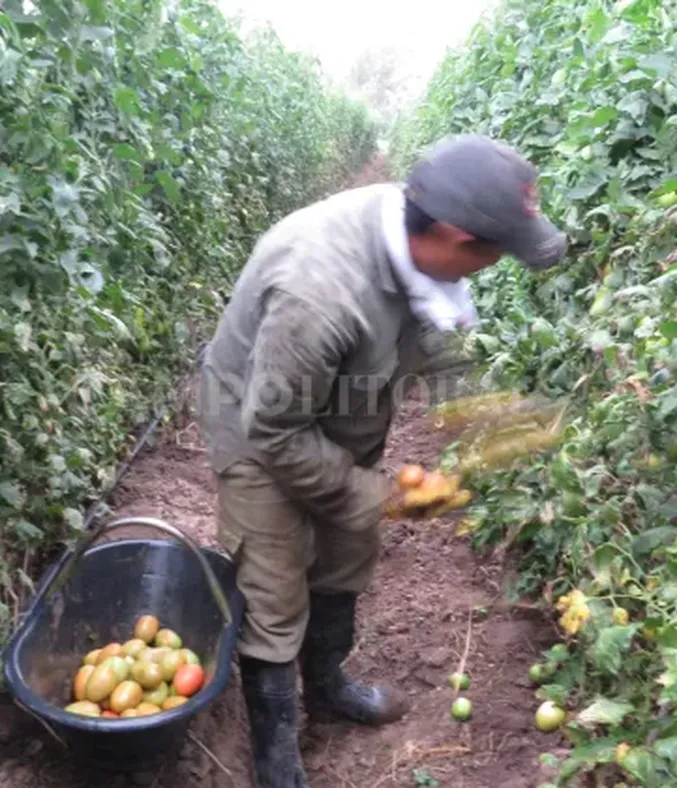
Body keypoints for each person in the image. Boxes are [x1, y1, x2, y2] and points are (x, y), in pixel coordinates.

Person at [195, 134, 568, 787]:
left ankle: (331, 686)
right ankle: (277, 760)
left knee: (345, 549)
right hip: (261, 424)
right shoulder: (320, 294)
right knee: (275, 587)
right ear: (456, 238)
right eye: (497, 253)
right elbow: (277, 432)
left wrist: (491, 415)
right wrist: (383, 494)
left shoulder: (415, 246)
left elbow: (438, 336)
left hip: (342, 403)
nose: (496, 266)